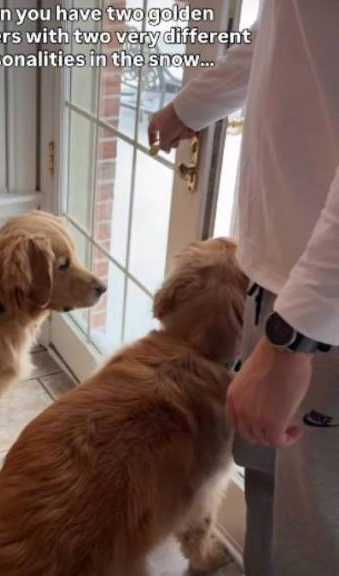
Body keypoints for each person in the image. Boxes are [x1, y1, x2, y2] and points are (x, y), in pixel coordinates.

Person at [147, 2, 339, 575]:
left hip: (321, 312)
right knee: (262, 476)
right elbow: (289, 31)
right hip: (277, 277)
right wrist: (194, 103)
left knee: (315, 531)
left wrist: (291, 343)